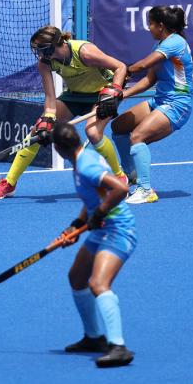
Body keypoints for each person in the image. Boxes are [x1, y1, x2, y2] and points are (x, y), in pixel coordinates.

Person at [0, 26, 129, 200]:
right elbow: (50, 98)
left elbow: (120, 67)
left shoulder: (85, 53)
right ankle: (9, 183)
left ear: (51, 46)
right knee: (37, 129)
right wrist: (48, 118)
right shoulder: (45, 62)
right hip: (75, 96)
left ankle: (119, 176)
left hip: (103, 94)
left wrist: (114, 92)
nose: (38, 54)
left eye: (40, 50)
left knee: (92, 132)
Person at [52, 122, 136, 368]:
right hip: (101, 230)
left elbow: (121, 188)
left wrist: (98, 214)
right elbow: (95, 196)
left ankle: (118, 346)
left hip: (118, 230)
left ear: (58, 149)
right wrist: (76, 225)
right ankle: (93, 338)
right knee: (77, 277)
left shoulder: (86, 165)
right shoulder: (83, 157)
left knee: (98, 284)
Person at [111, 6, 193, 204]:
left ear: (161, 26)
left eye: (151, 24)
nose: (148, 28)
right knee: (118, 127)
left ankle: (146, 189)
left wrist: (122, 72)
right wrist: (122, 94)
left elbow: (142, 66)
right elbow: (149, 80)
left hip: (177, 105)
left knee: (138, 136)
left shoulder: (175, 42)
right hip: (160, 101)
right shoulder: (161, 45)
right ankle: (131, 173)